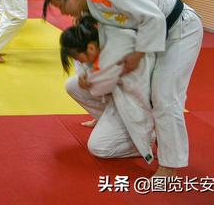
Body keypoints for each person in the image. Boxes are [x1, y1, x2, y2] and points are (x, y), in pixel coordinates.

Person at [43, 0, 203, 176]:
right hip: (150, 35)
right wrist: (85, 73)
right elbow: (86, 49)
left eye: (61, 5)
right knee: (80, 84)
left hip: (180, 29)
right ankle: (118, 126)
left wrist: (138, 53)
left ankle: (170, 164)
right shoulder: (87, 11)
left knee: (165, 96)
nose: (63, 12)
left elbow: (153, 17)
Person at [60, 16, 156, 165]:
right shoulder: (92, 42)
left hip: (138, 103)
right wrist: (85, 76)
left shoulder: (118, 49)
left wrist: (89, 79)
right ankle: (109, 122)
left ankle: (144, 141)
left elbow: (99, 89)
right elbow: (88, 72)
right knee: (72, 85)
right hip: (119, 96)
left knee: (98, 148)